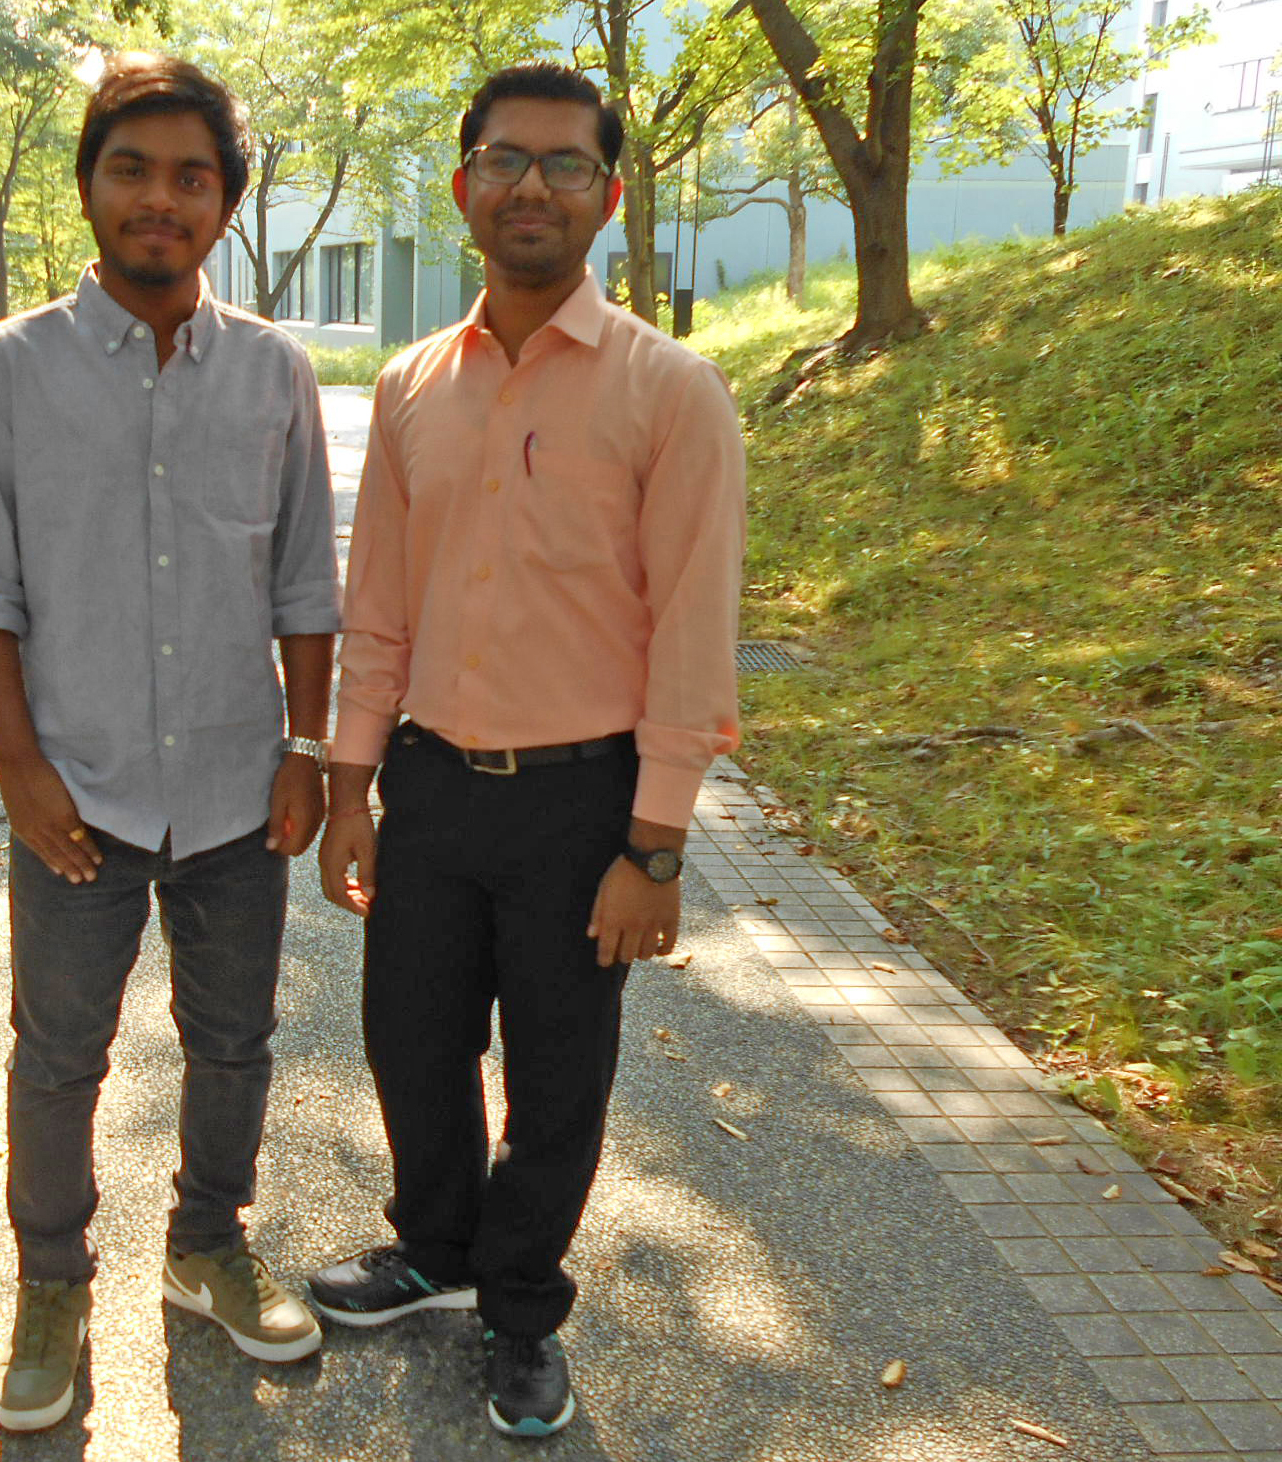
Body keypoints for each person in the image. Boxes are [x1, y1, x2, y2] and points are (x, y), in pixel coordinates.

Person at [310, 63, 745, 1439]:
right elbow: (377, 602)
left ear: (608, 197)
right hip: (430, 786)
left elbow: (692, 630)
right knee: (410, 1041)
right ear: (464, 191)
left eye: (565, 165)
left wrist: (655, 844)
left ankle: (519, 1308)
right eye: (507, 161)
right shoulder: (409, 387)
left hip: (582, 802)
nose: (533, 187)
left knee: (559, 1074)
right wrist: (350, 787)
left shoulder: (669, 391)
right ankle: (432, 1246)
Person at [0, 53, 340, 1433]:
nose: (161, 200)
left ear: (224, 204)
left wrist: (310, 747)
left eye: (192, 177)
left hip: (238, 786)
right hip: (76, 796)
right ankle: (52, 1281)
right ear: (91, 186)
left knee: (235, 1041)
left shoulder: (278, 373)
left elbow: (303, 583)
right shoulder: (10, 371)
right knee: (58, 1057)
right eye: (133, 169)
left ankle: (208, 1244)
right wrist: (22, 772)